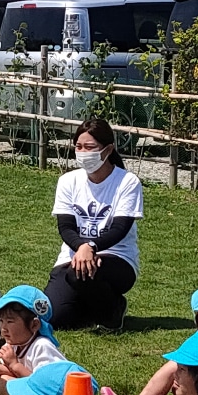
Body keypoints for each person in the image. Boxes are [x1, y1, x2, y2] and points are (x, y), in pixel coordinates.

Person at [44, 119, 143, 332]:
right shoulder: (68, 181)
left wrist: (91, 247)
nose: (82, 152)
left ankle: (114, 310)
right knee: (52, 317)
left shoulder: (127, 182)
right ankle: (92, 306)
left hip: (118, 259)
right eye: (78, 147)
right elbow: (66, 227)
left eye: (89, 147)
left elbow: (120, 228)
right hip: (73, 256)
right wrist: (82, 247)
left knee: (78, 273)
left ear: (108, 150)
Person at [0, 285, 64, 395]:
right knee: (1, 382)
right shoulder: (13, 344)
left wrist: (15, 365)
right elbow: (9, 373)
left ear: (34, 325)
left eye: (10, 321)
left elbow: (44, 386)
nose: (3, 327)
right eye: (1, 321)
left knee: (4, 385)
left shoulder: (42, 346)